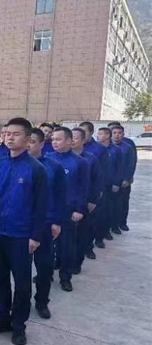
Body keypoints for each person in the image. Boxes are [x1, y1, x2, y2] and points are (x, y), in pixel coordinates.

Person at [0, 117, 47, 345]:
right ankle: (2, 319)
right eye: (7, 133)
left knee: (21, 284)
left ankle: (19, 325)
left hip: (21, 236)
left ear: (28, 139)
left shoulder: (36, 169)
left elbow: (41, 206)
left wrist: (35, 236)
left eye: (16, 134)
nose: (10, 137)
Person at [27, 128, 66, 319]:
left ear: (42, 144)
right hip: (21, 224)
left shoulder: (53, 167)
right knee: (20, 270)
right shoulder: (14, 165)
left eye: (32, 142)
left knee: (44, 266)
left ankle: (42, 302)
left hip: (45, 223)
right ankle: (21, 303)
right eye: (26, 141)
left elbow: (60, 196)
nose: (28, 145)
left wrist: (57, 221)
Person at [47, 127, 89, 292]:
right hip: (48, 210)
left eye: (58, 139)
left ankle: (65, 277)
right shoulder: (47, 159)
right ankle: (46, 274)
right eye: (53, 139)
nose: (54, 142)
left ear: (69, 141)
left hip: (68, 211)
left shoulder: (79, 162)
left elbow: (83, 188)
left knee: (66, 247)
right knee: (46, 246)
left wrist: (79, 209)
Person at [71, 128, 101, 266]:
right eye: (70, 137)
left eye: (76, 138)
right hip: (66, 203)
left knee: (81, 232)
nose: (72, 140)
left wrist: (93, 200)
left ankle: (78, 261)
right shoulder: (61, 158)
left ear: (83, 140)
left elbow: (96, 181)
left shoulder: (90, 159)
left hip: (84, 201)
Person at [79, 121, 109, 249]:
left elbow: (103, 172)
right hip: (77, 192)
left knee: (92, 220)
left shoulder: (99, 149)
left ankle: (90, 246)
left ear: (91, 133)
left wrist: (98, 192)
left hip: (92, 190)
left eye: (84, 131)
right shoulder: (72, 150)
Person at [97, 127, 122, 243]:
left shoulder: (116, 150)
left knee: (108, 210)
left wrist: (117, 182)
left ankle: (105, 232)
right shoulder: (97, 149)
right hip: (98, 184)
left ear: (107, 135)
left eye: (100, 134)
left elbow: (119, 167)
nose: (98, 136)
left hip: (110, 185)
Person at [111, 125, 136, 233]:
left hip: (123, 181)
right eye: (114, 133)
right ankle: (112, 225)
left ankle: (122, 223)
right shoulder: (107, 147)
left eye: (119, 133)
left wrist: (127, 178)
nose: (117, 135)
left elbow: (131, 164)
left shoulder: (128, 148)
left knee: (122, 203)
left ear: (123, 134)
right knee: (111, 206)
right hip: (111, 182)